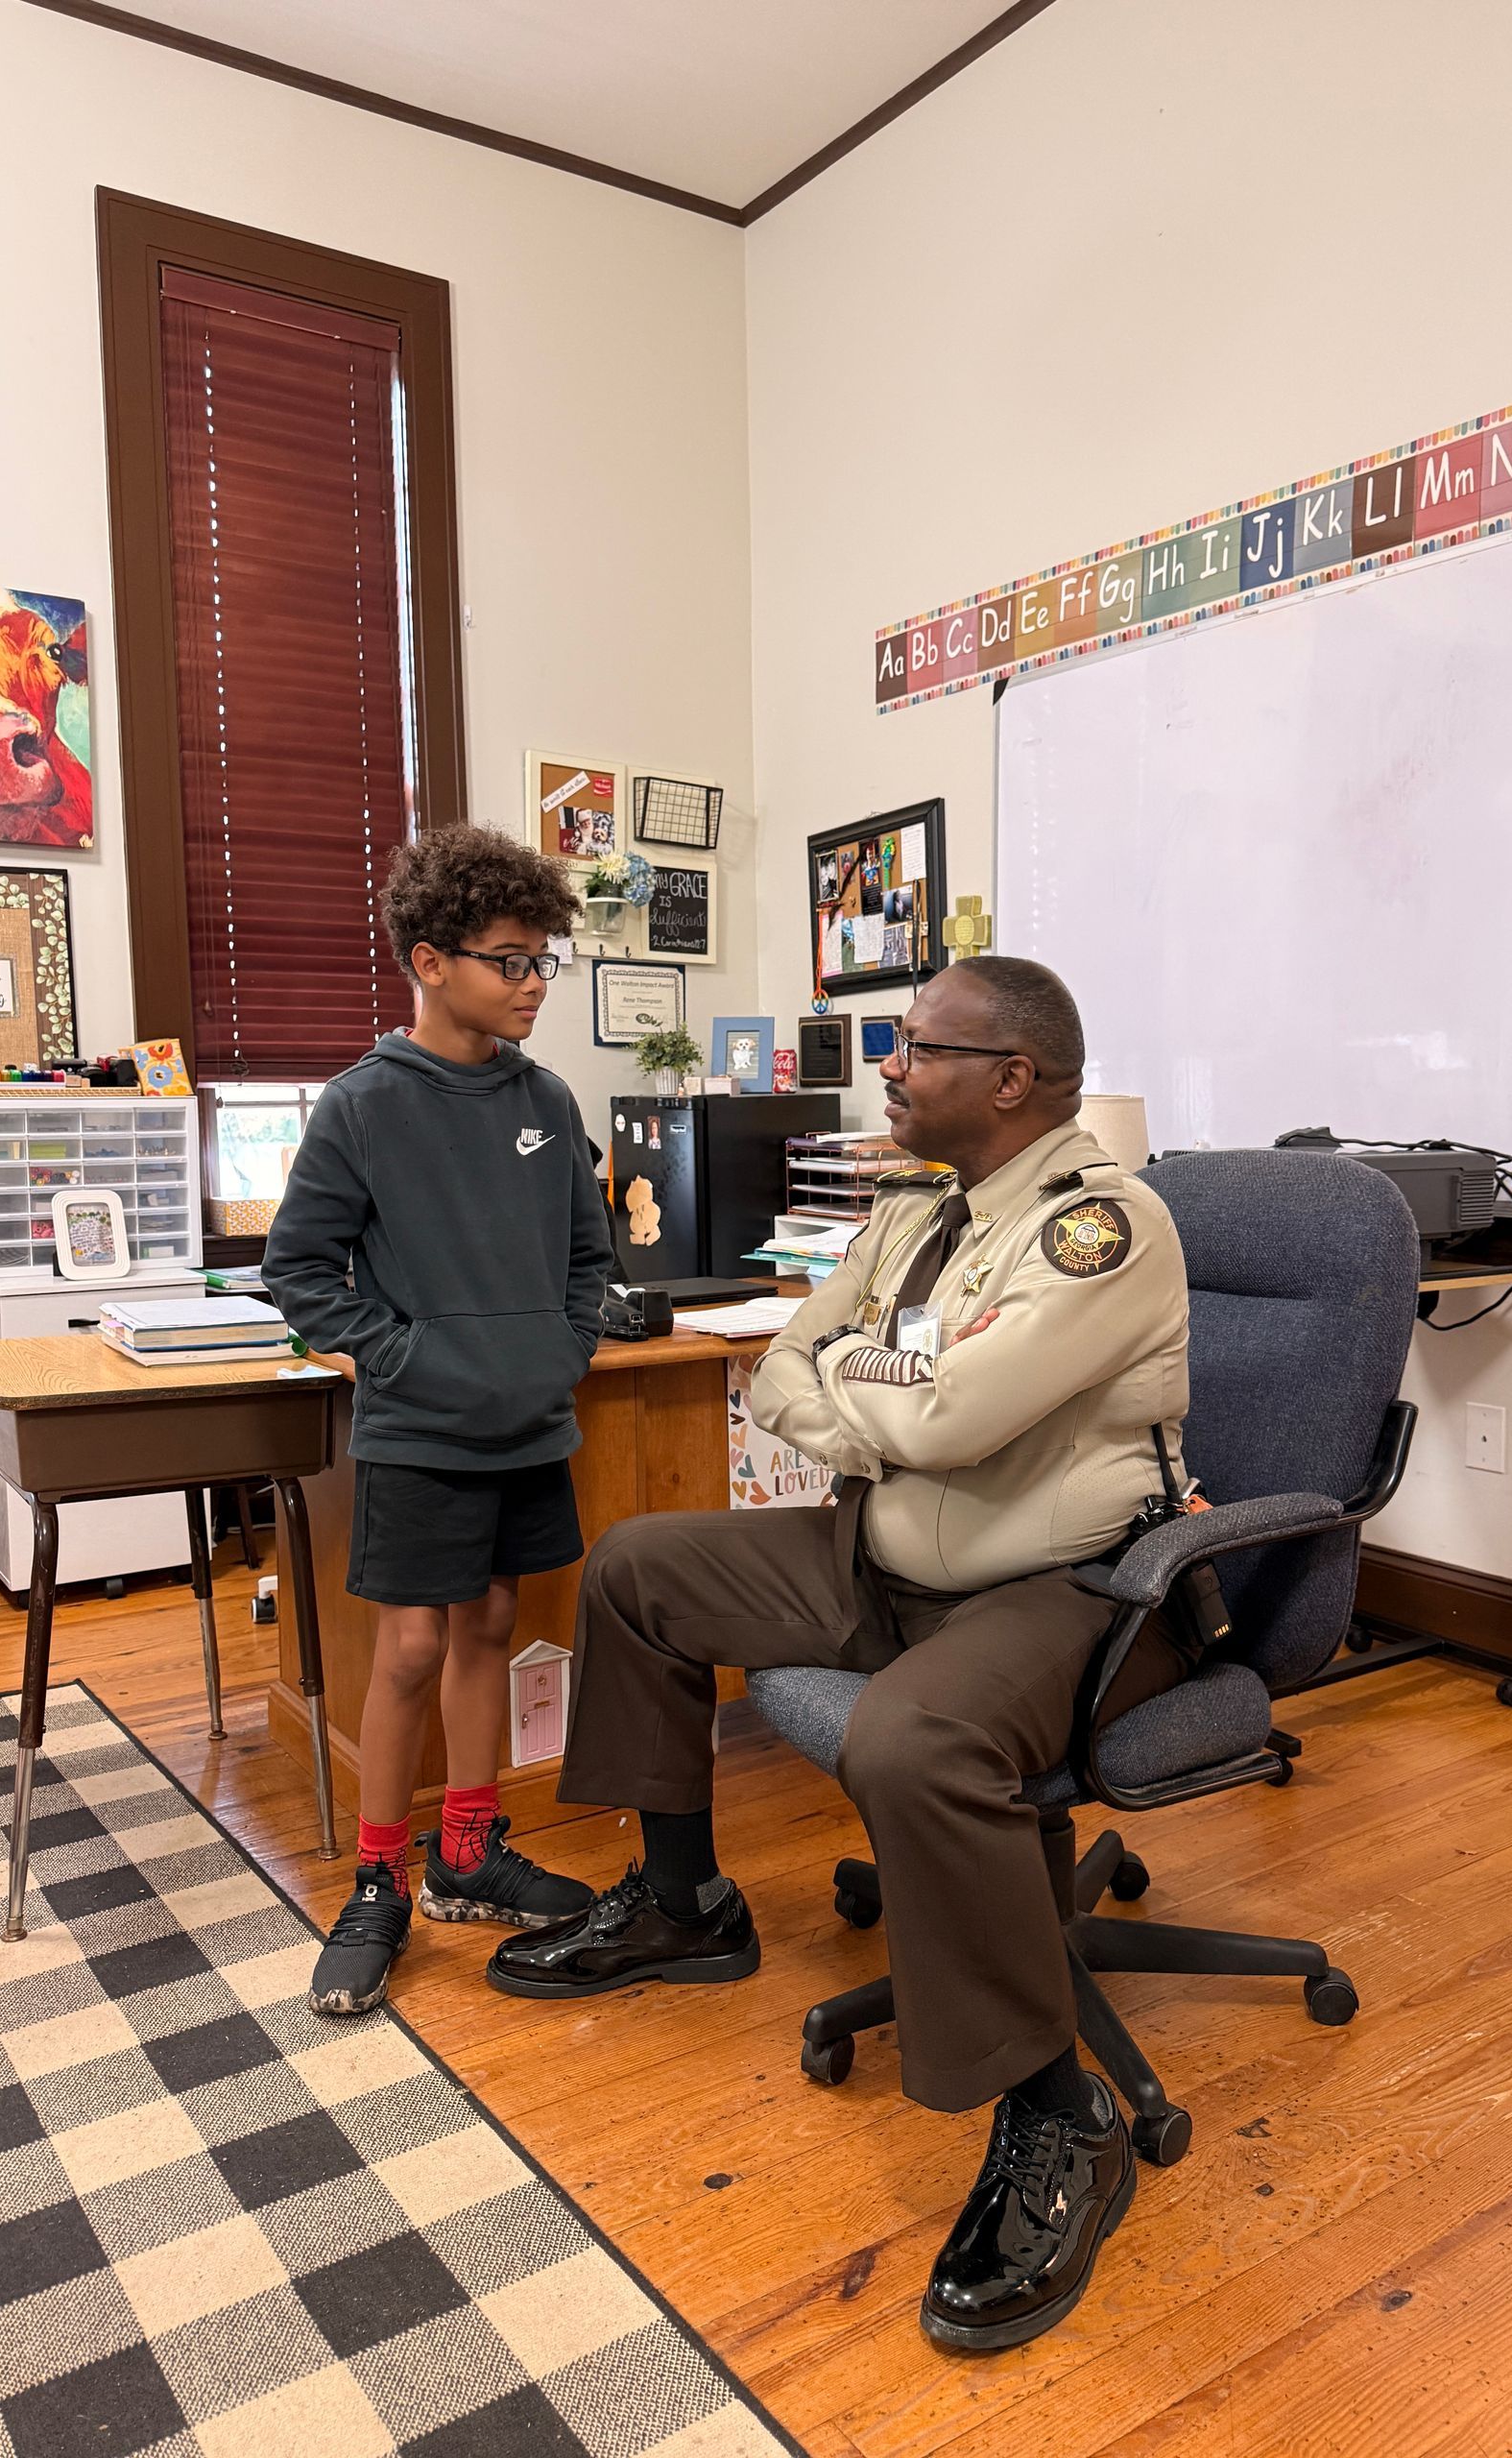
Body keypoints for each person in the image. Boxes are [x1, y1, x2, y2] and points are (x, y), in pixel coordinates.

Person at [489, 956, 1192, 2352]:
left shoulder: (1102, 1228)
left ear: (1011, 1079)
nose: (888, 1065)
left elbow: (945, 1421)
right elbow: (783, 1365)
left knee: (910, 1739)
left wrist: (868, 1390)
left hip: (1057, 1585)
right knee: (637, 1566)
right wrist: (889, 1390)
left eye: (918, 1046)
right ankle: (684, 1904)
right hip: (882, 1553)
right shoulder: (914, 1209)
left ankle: (1061, 2113)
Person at [264, 826, 613, 2017]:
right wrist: (402, 1355)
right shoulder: (363, 1105)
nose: (532, 982)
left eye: (542, 959)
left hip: (527, 1424)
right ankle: (378, 1880)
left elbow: (587, 1256)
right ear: (429, 961)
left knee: (493, 1624)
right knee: (411, 1647)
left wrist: (562, 1348)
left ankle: (467, 1853)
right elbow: (299, 1271)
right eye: (510, 960)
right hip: (418, 1431)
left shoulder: (545, 1099)